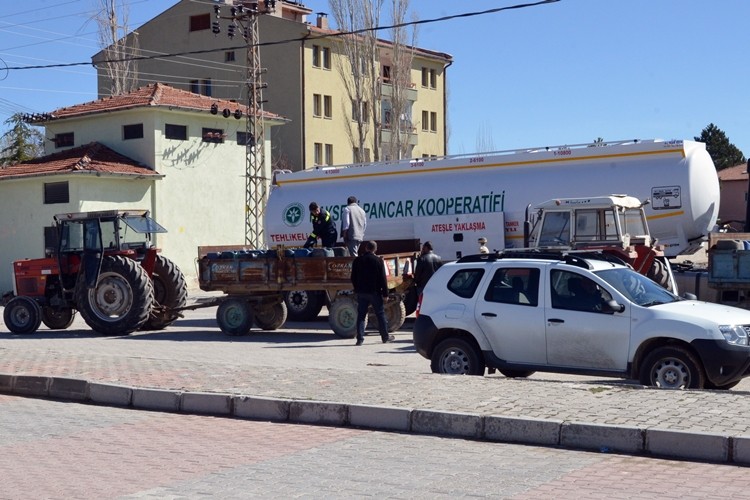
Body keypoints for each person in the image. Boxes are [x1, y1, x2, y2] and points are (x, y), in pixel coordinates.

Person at [351, 240, 394, 346]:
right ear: (375, 249)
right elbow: (383, 279)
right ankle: (385, 337)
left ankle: (360, 339)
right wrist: (385, 294)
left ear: (366, 248)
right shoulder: (378, 261)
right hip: (374, 292)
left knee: (361, 315)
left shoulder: (358, 260)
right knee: (380, 314)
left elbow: (353, 277)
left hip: (362, 292)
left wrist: (357, 289)